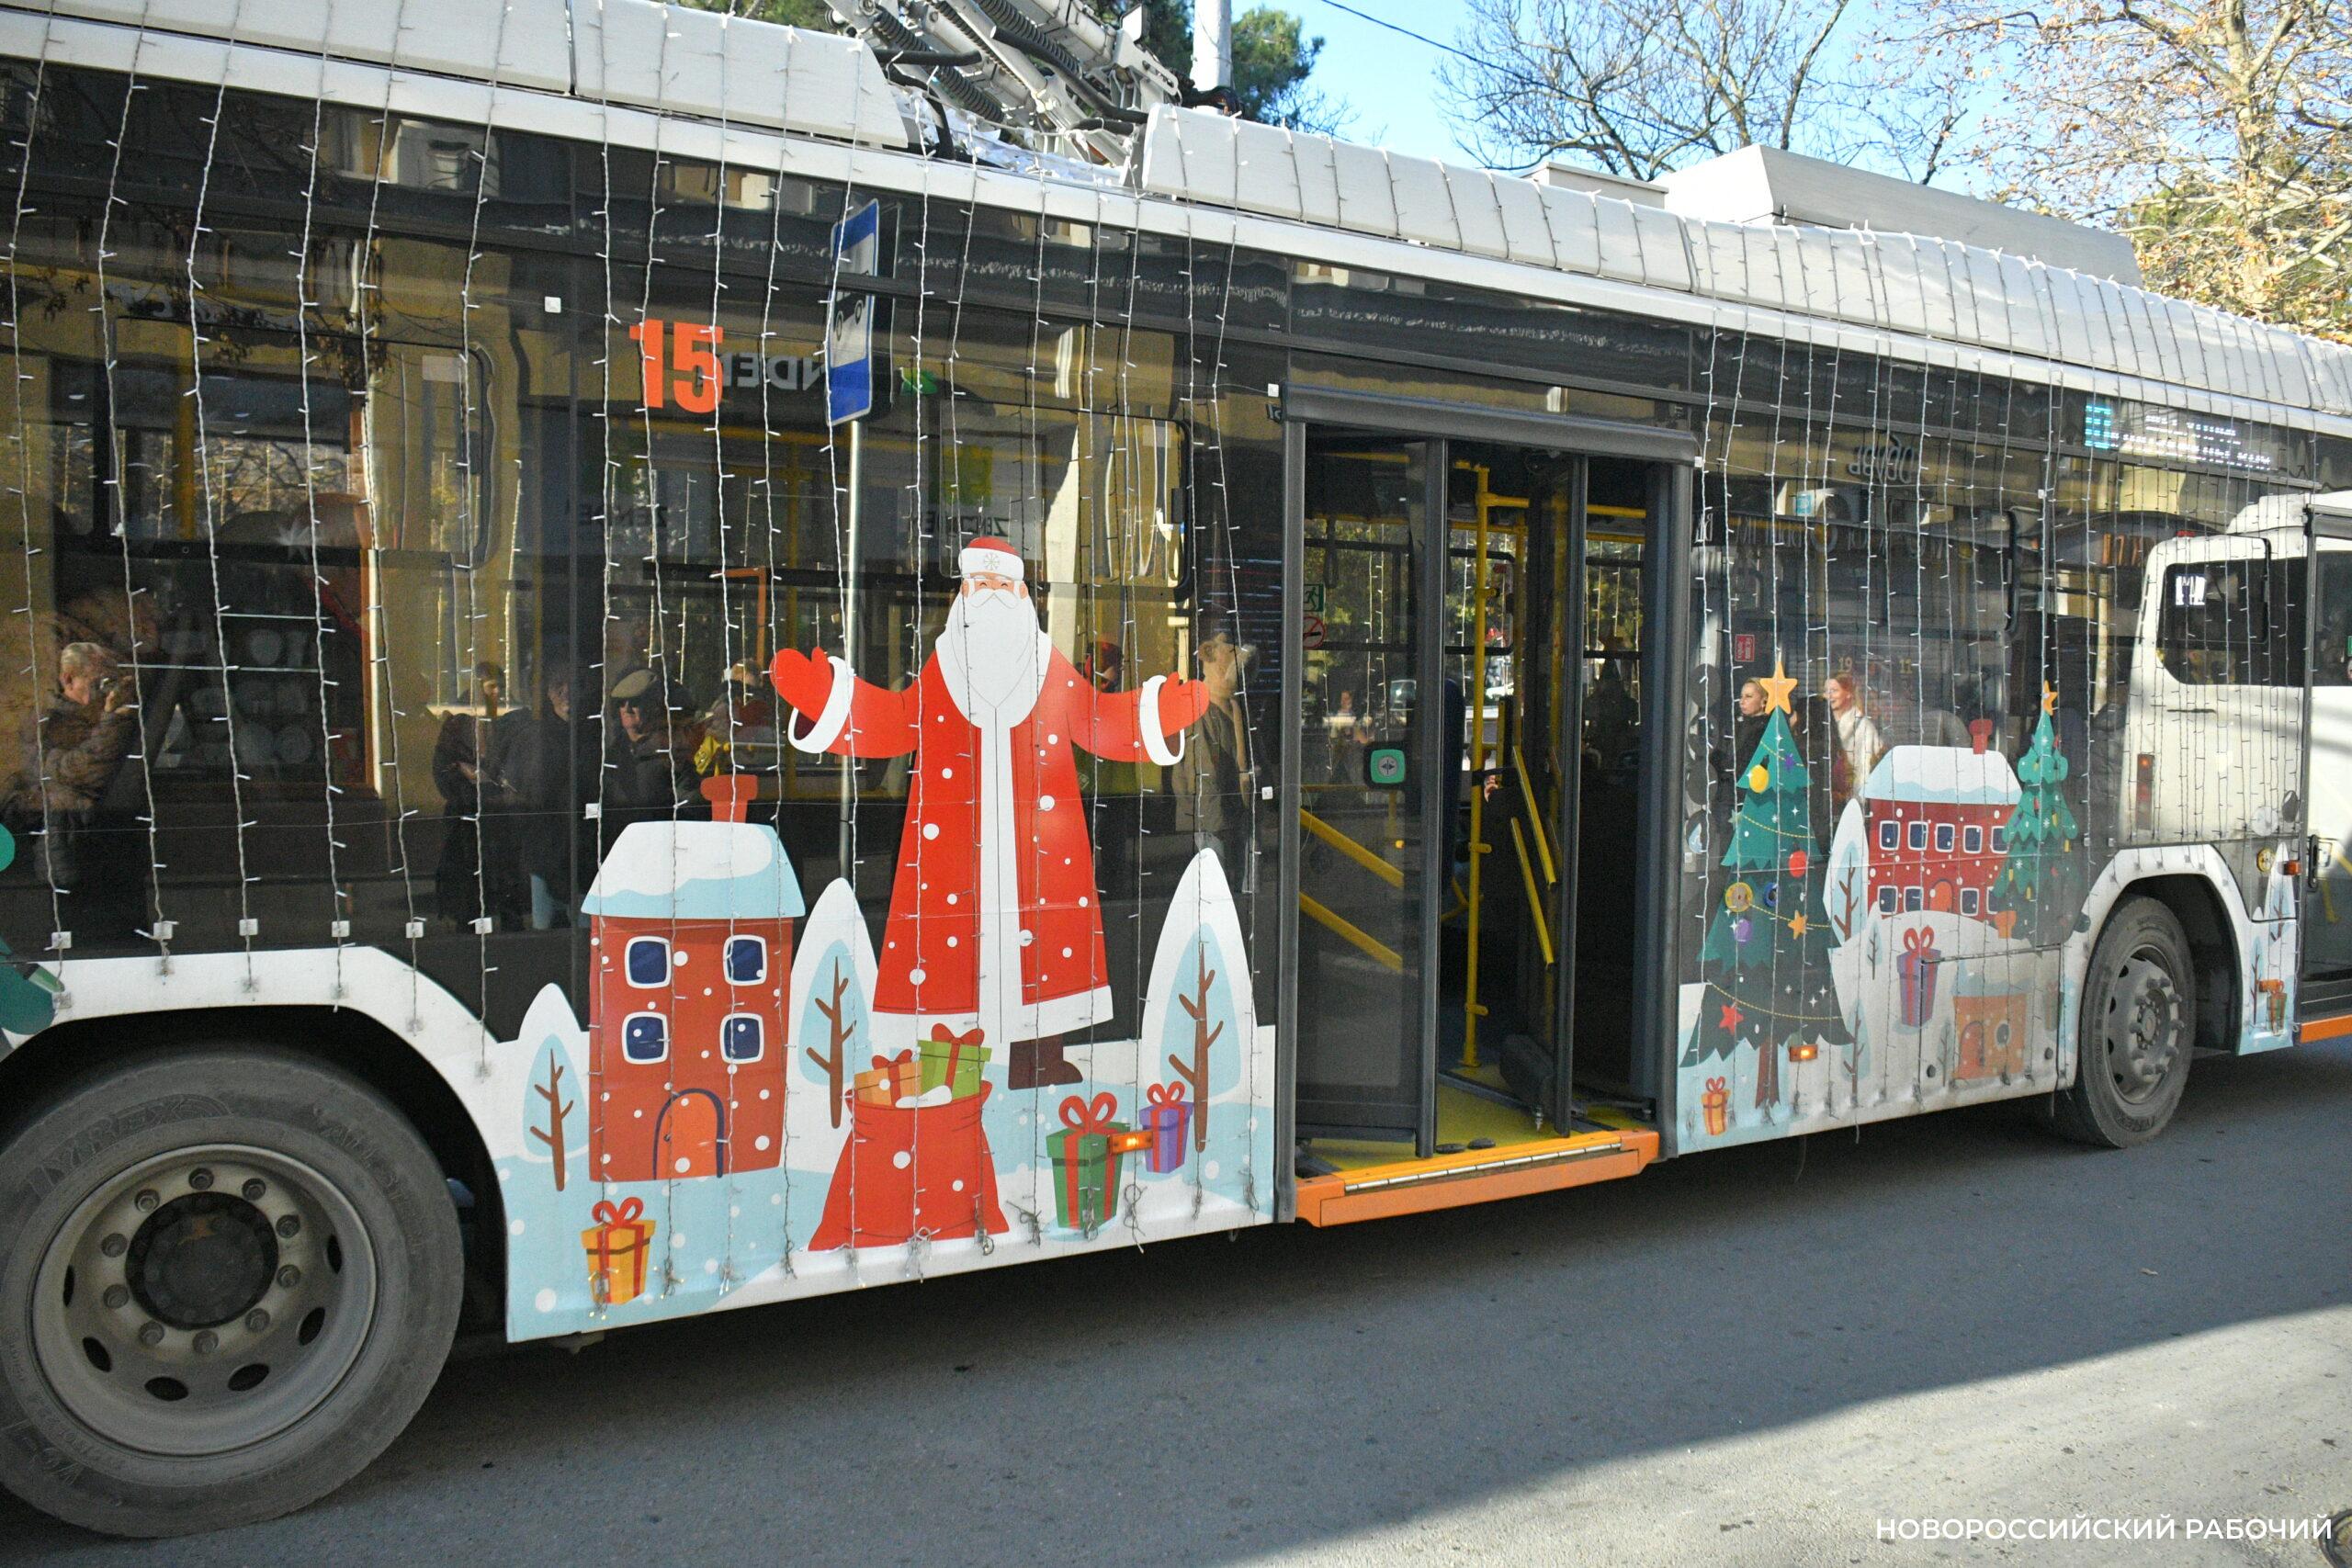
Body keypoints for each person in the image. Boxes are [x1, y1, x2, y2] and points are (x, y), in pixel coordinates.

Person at [769, 536, 1208, 1089]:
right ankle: (950, 1071)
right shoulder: (945, 666)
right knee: (948, 953)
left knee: (1043, 947)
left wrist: (1156, 714)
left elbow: (1096, 720)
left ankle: (1038, 1060)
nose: (993, 594)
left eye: (1003, 584)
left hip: (1039, 844)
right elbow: (896, 721)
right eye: (982, 584)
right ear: (963, 594)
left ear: (1022, 596)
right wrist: (830, 700)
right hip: (953, 842)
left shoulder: (1047, 666)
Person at [1172, 627, 1256, 886]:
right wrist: (1214, 816)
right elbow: (1200, 772)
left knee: (1234, 878)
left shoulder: (1236, 709)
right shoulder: (1201, 711)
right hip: (1212, 816)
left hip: (1233, 810)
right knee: (1216, 880)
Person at [1823, 671, 1884, 813]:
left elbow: (1864, 771)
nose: (1828, 695)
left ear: (1848, 693)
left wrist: (1856, 805)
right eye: (1826, 691)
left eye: (1834, 691)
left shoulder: (1863, 727)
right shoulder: (1823, 724)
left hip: (1851, 805)